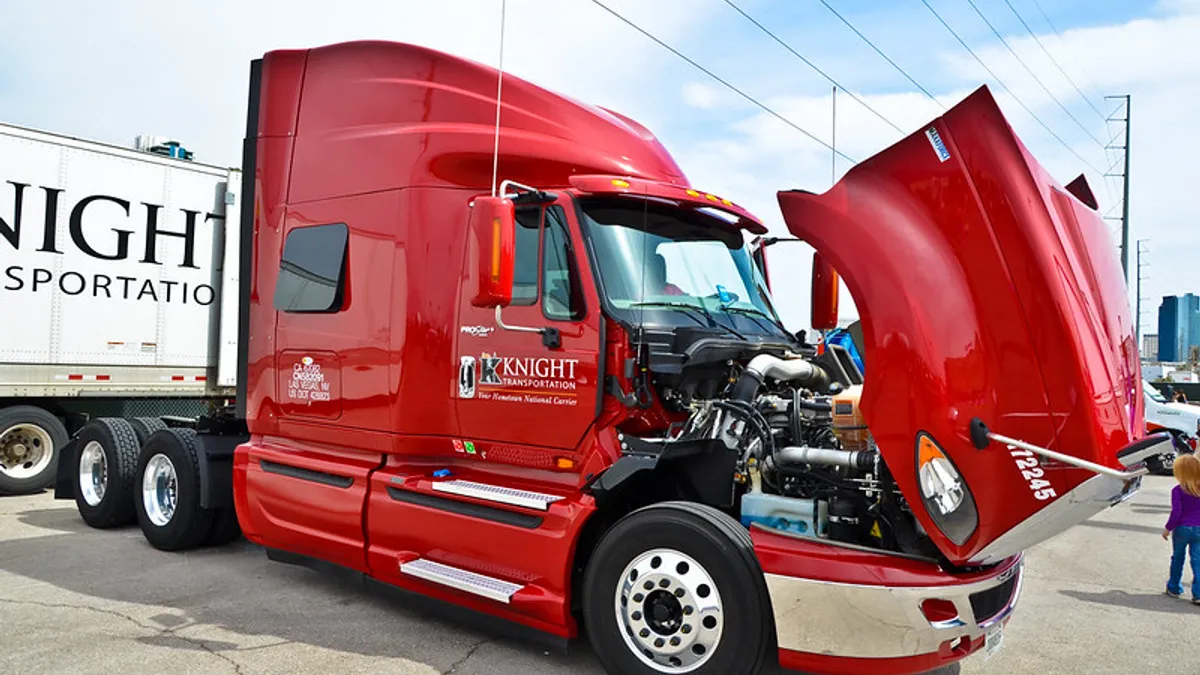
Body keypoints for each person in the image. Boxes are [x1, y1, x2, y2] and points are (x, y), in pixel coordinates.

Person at [1163, 453, 1200, 604]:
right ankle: (1198, 593)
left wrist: (1168, 528)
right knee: (1197, 560)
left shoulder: (1177, 490)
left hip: (1182, 528)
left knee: (1178, 557)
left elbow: (1176, 512)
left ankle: (1174, 587)